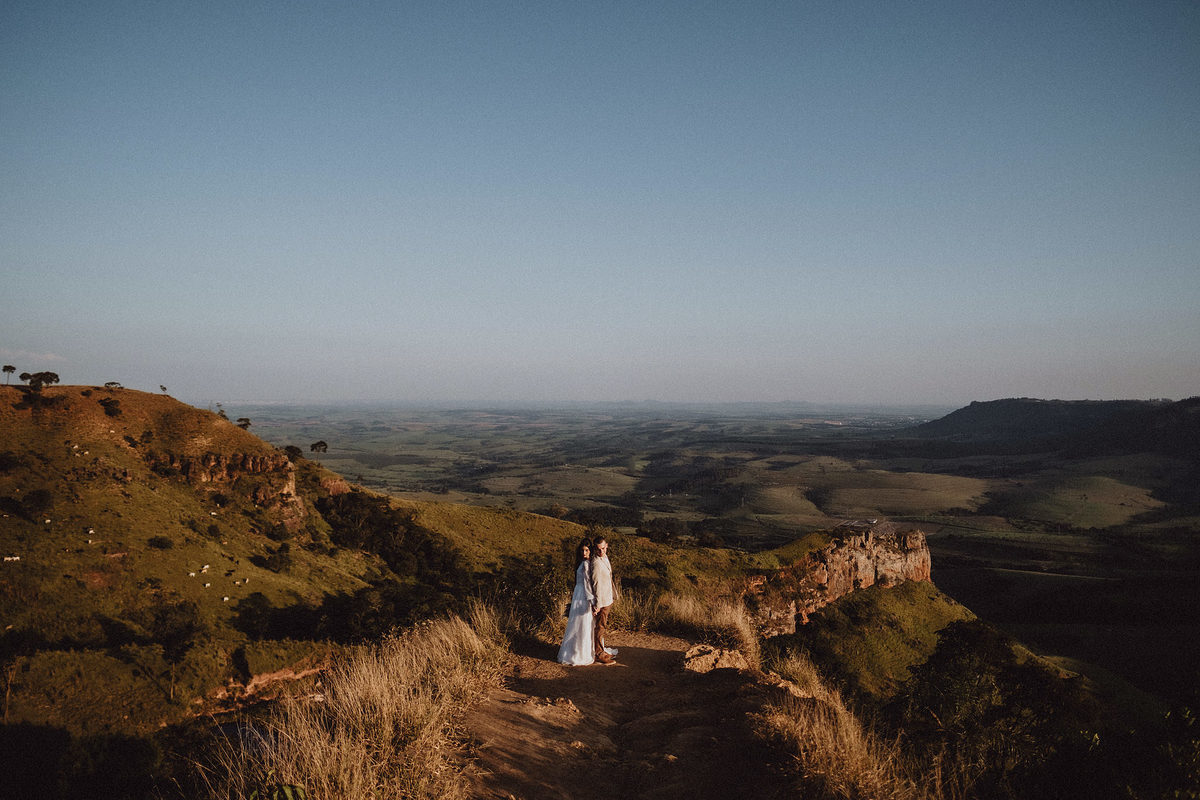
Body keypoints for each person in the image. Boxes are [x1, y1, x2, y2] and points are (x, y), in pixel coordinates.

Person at [557, 538, 596, 666]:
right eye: (582, 550)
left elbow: (588, 585)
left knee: (581, 623)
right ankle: (576, 652)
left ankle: (579, 652)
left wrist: (592, 601)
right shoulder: (584, 563)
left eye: (587, 550)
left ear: (590, 551)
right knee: (578, 623)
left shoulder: (586, 564)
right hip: (579, 594)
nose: (584, 553)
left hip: (583, 595)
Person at [590, 535, 617, 664]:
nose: (601, 552)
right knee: (600, 627)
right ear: (595, 549)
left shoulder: (605, 557)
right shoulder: (595, 563)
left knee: (602, 626)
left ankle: (601, 649)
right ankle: (599, 654)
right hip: (602, 600)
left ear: (607, 546)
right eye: (598, 549)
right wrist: (598, 604)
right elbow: (596, 584)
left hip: (608, 597)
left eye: (603, 548)